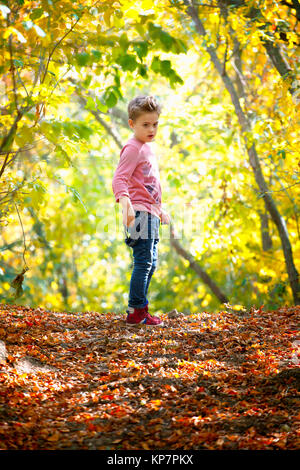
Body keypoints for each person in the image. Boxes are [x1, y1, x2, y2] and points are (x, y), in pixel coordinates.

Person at [112, 95, 171, 326]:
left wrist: (160, 209)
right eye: (145, 124)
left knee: (151, 262)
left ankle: (140, 309)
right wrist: (125, 204)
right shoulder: (132, 148)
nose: (151, 129)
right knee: (143, 261)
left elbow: (149, 185)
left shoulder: (147, 148)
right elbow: (119, 179)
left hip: (150, 212)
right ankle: (136, 311)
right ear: (131, 124)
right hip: (138, 213)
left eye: (155, 124)